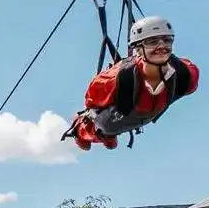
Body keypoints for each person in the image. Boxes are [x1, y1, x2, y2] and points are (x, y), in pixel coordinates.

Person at [69, 16, 201, 150]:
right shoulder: (116, 79)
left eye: (167, 40)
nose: (161, 46)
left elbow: (190, 84)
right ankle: (82, 130)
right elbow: (92, 101)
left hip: (145, 114)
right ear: (138, 49)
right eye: (152, 41)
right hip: (114, 118)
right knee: (102, 127)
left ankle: (108, 135)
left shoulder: (185, 75)